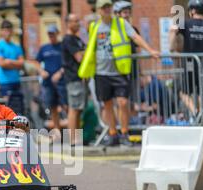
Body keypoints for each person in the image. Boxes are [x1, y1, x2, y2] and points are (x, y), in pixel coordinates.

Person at [84, 0, 160, 147]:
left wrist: (150, 50)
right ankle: (113, 134)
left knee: (123, 102)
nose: (107, 9)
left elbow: (135, 37)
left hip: (119, 70)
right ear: (98, 10)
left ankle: (124, 133)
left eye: (108, 6)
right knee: (107, 105)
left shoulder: (120, 23)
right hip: (101, 72)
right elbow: (91, 50)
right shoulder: (95, 26)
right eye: (104, 7)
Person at [170, 0, 203, 118]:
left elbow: (173, 31)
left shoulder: (187, 23)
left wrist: (172, 49)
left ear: (192, 11)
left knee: (183, 91)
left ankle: (196, 111)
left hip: (189, 64)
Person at [35, 24, 67, 133]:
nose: (51, 36)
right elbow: (37, 62)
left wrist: (60, 73)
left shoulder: (62, 47)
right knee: (53, 107)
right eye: (49, 34)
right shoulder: (44, 48)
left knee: (66, 105)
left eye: (53, 34)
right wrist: (41, 71)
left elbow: (68, 63)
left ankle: (72, 131)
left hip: (62, 82)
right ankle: (57, 132)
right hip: (48, 83)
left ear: (57, 34)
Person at [62, 14, 86, 146]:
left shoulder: (77, 39)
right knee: (74, 108)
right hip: (73, 77)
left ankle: (77, 137)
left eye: (78, 20)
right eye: (75, 21)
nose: (78, 23)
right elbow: (79, 57)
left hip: (79, 78)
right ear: (68, 23)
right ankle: (72, 138)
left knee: (78, 108)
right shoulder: (68, 39)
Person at [0, 20, 25, 115]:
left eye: (9, 30)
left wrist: (9, 61)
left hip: (16, 81)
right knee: (7, 108)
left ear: (12, 31)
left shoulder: (16, 47)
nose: (7, 32)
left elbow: (22, 63)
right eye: (5, 30)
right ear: (1, 32)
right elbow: (1, 63)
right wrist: (14, 64)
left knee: (18, 108)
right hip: (4, 82)